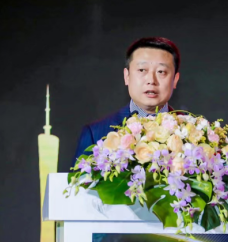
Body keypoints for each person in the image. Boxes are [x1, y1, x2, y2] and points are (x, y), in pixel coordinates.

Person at [71, 36, 181, 167]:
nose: (151, 80)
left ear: (175, 79)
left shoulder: (196, 132)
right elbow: (78, 179)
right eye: (142, 70)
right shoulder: (95, 134)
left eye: (161, 72)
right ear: (127, 76)